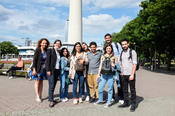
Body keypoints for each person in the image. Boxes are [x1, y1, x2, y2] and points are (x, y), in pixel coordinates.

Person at [104, 33, 124, 104]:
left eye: (108, 38)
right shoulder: (105, 46)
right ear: (105, 39)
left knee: (119, 83)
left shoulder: (117, 44)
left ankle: (121, 97)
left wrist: (121, 66)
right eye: (106, 38)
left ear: (111, 38)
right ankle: (112, 97)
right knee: (110, 83)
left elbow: (122, 54)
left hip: (117, 65)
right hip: (110, 67)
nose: (107, 39)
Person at [118, 39, 137, 112]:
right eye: (122, 44)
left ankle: (133, 104)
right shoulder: (121, 52)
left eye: (125, 44)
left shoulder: (132, 52)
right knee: (124, 90)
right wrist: (121, 71)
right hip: (123, 74)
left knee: (132, 90)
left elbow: (135, 64)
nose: (124, 46)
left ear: (128, 44)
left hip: (130, 74)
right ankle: (126, 102)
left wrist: (132, 74)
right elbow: (120, 62)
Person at [94, 44, 116, 108]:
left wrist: (113, 65)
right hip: (103, 75)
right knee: (100, 88)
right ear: (105, 49)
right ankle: (100, 100)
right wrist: (98, 74)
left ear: (111, 49)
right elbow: (100, 65)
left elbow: (116, 66)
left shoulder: (114, 56)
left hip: (111, 75)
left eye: (109, 48)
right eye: (107, 48)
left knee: (110, 89)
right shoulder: (103, 56)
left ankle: (108, 102)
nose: (108, 49)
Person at [32, 38, 50, 103]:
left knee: (41, 82)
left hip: (44, 69)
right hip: (38, 69)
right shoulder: (38, 50)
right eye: (43, 43)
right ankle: (37, 96)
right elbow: (34, 60)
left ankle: (40, 95)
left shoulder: (47, 51)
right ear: (40, 43)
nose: (44, 44)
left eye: (46, 43)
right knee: (37, 82)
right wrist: (34, 69)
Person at [46, 40, 62, 107]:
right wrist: (48, 70)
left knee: (54, 85)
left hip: (57, 70)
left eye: (59, 44)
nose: (58, 44)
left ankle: (50, 97)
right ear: (54, 44)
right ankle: (51, 101)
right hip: (51, 70)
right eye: (57, 43)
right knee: (51, 85)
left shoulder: (59, 52)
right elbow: (47, 61)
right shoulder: (50, 50)